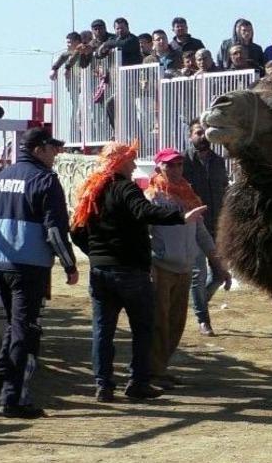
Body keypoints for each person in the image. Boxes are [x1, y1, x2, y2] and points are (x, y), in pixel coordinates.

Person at [70, 142, 206, 402]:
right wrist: (180, 217)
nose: (134, 165)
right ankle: (138, 382)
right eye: (130, 160)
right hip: (130, 270)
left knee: (103, 330)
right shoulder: (125, 188)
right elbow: (144, 211)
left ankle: (104, 385)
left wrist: (96, 254)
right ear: (119, 162)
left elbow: (76, 229)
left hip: (101, 272)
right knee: (143, 327)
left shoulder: (92, 190)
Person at [0, 128, 77, 418]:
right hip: (28, 265)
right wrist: (69, 264)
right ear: (38, 149)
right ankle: (13, 398)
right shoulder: (45, 179)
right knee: (25, 328)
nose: (56, 154)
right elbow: (55, 229)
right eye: (52, 149)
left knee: (13, 325)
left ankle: (2, 386)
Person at [145, 148, 228, 389]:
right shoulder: (152, 196)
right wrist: (148, 263)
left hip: (184, 267)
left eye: (179, 164)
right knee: (160, 321)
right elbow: (145, 233)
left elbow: (201, 232)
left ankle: (160, 367)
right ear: (159, 166)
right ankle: (153, 371)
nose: (175, 169)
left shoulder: (189, 194)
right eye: (170, 165)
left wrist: (217, 262)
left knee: (176, 321)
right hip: (161, 266)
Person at [183, 121, 231, 337]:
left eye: (205, 133)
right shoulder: (182, 162)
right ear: (190, 135)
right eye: (198, 133)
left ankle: (201, 300)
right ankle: (203, 319)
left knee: (220, 274)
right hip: (194, 226)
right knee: (199, 273)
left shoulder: (219, 162)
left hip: (215, 225)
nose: (202, 137)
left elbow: (224, 190)